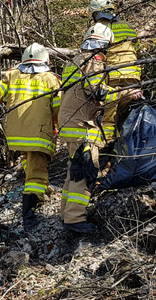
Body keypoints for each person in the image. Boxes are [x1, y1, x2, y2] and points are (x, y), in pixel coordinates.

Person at [57, 24, 143, 234]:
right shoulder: (93, 62)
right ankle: (75, 219)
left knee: (74, 170)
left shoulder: (77, 60)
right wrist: (125, 93)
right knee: (87, 171)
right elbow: (97, 92)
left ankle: (66, 214)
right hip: (81, 125)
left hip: (69, 121)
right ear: (105, 45)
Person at [0, 43, 62, 230]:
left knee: (29, 161)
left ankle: (40, 192)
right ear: (45, 60)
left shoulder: (11, 75)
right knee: (37, 175)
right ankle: (30, 217)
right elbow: (58, 110)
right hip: (39, 134)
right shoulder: (51, 79)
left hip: (16, 135)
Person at [87, 0, 141, 140]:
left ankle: (109, 146)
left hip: (113, 76)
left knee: (108, 116)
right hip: (133, 75)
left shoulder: (98, 30)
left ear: (96, 13)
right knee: (127, 113)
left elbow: (92, 55)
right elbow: (136, 49)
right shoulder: (127, 26)